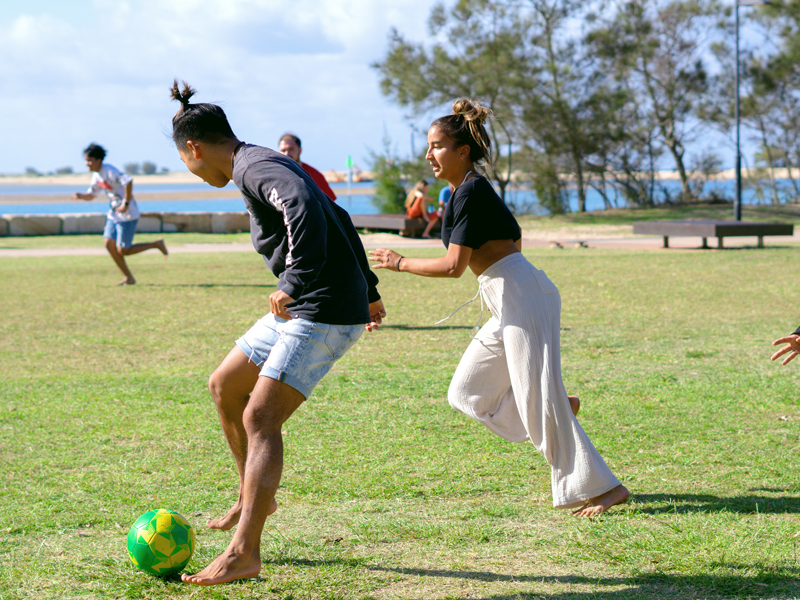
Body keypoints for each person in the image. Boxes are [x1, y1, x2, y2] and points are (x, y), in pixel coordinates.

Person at [168, 81, 386, 586]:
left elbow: (303, 207)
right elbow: (341, 215)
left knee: (260, 415)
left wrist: (294, 278)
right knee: (225, 383)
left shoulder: (255, 168)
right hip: (317, 300)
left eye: (184, 161)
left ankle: (244, 551)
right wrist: (369, 286)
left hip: (322, 307)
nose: (189, 169)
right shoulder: (258, 160)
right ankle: (251, 496)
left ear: (193, 149)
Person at [369, 99, 629, 517]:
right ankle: (557, 406)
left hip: (522, 296)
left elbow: (455, 267)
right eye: (428, 147)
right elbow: (514, 234)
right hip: (509, 299)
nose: (428, 155)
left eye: (436, 146)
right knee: (466, 393)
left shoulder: (472, 189)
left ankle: (605, 488)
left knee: (538, 402)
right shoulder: (463, 192)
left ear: (462, 151)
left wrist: (399, 263)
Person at [72, 143, 167, 285]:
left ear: (98, 160)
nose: (87, 163)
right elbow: (92, 195)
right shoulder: (97, 176)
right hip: (114, 213)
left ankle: (156, 244)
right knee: (108, 244)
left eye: (89, 160)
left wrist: (126, 203)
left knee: (123, 250)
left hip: (128, 214)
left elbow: (128, 181)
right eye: (86, 160)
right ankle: (129, 278)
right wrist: (80, 195)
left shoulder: (109, 171)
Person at [277, 133, 338, 201]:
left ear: (299, 150)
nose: (287, 154)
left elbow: (331, 203)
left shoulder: (314, 175)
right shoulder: (274, 174)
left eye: (291, 149)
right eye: (283, 150)